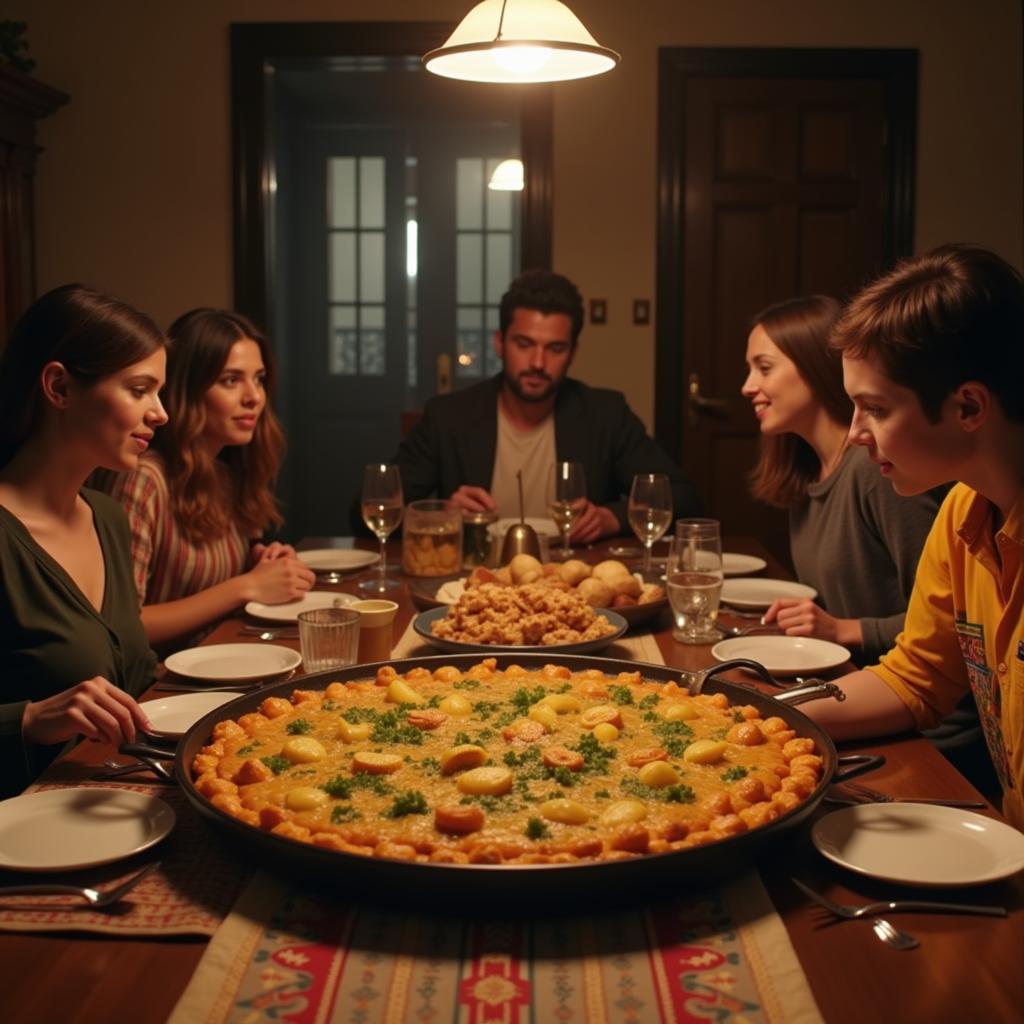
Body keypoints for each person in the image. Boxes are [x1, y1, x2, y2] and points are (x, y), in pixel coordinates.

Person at [802, 243, 1024, 829]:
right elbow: (914, 678)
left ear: (968, 406)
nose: (854, 434)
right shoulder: (960, 515)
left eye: (873, 408)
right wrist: (764, 711)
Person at [0, 284, 166, 796]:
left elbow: (136, 675)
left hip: (114, 794)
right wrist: (29, 719)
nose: (160, 413)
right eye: (139, 390)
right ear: (60, 388)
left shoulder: (107, 517)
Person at [393, 269, 700, 543]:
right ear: (500, 343)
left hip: (573, 585)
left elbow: (684, 498)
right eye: (524, 345)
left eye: (555, 348)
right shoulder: (449, 416)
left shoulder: (605, 414)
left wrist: (612, 518)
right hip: (473, 585)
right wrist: (440, 517)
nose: (538, 363)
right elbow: (369, 511)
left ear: (573, 352)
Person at [741, 295, 946, 664]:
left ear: (815, 366)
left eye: (764, 368)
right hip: (851, 674)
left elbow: (949, 618)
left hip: (919, 708)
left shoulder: (877, 471)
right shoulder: (806, 471)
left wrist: (844, 630)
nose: (747, 386)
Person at [94, 309, 314, 650]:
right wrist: (246, 586)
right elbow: (121, 626)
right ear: (188, 389)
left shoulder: (223, 470)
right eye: (230, 380)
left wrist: (261, 564)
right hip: (156, 684)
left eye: (258, 378)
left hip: (217, 659)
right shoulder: (144, 479)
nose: (253, 396)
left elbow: (207, 584)